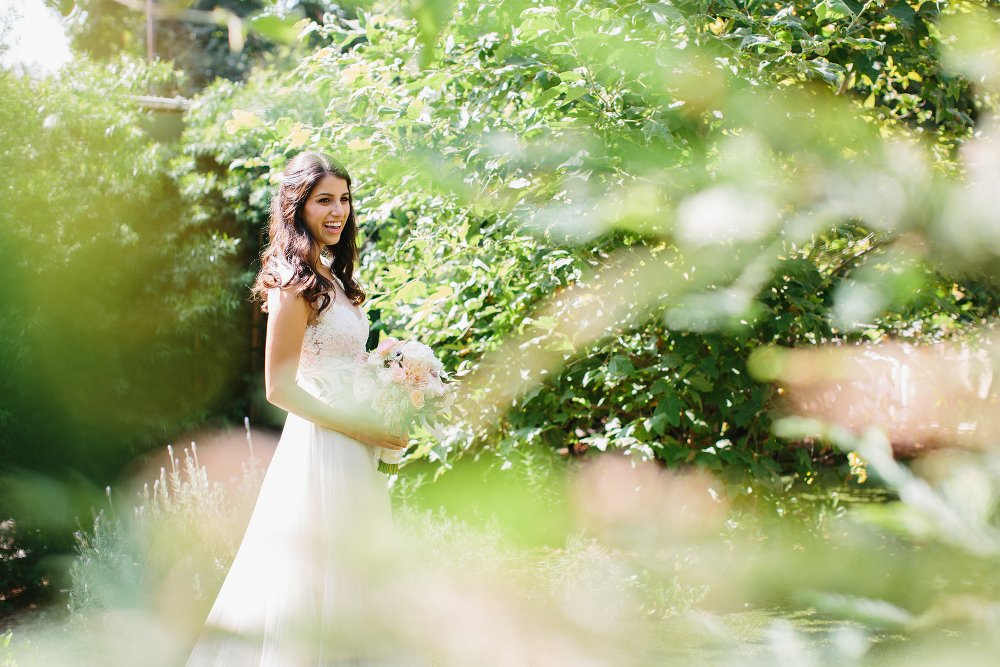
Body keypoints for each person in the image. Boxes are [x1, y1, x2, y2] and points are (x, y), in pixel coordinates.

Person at [185, 151, 408, 666]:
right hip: (324, 442)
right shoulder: (292, 283)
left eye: (344, 199)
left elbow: (344, 361)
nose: (338, 211)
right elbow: (279, 386)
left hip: (353, 442)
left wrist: (394, 379)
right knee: (317, 574)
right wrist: (362, 428)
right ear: (297, 207)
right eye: (323, 200)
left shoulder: (331, 278)